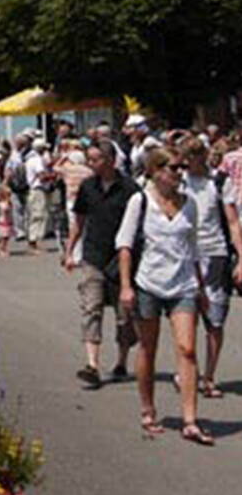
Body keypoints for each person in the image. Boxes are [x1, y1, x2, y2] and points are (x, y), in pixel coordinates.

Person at [117, 147, 211, 444]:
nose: (178, 173)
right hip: (149, 284)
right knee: (148, 348)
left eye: (181, 167)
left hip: (183, 285)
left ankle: (190, 420)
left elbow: (193, 247)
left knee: (187, 350)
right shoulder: (140, 201)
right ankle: (148, 409)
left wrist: (201, 287)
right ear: (155, 171)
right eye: (172, 168)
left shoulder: (190, 204)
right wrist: (125, 286)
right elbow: (125, 245)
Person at [65, 143, 140, 389]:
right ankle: (92, 365)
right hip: (93, 256)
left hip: (121, 260)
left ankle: (121, 361)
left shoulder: (130, 188)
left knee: (124, 315)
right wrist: (69, 250)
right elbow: (79, 220)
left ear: (110, 160)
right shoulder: (88, 186)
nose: (92, 164)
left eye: (96, 159)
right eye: (90, 159)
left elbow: (140, 226)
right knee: (91, 307)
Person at [180, 140, 236, 399]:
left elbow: (233, 222)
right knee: (185, 315)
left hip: (215, 253)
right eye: (187, 156)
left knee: (215, 319)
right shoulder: (178, 181)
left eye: (196, 155)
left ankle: (209, 376)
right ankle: (188, 370)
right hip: (185, 255)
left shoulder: (219, 182)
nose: (192, 160)